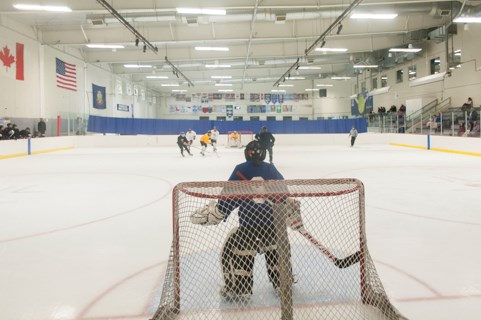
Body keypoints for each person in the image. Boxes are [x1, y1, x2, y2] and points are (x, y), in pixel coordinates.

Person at [190, 141, 298, 302]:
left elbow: (227, 201)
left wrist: (216, 213)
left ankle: (241, 288)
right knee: (277, 250)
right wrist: (290, 212)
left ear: (246, 153)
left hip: (248, 226)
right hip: (272, 226)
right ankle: (283, 282)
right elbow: (284, 196)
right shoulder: (271, 169)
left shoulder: (241, 170)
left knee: (233, 250)